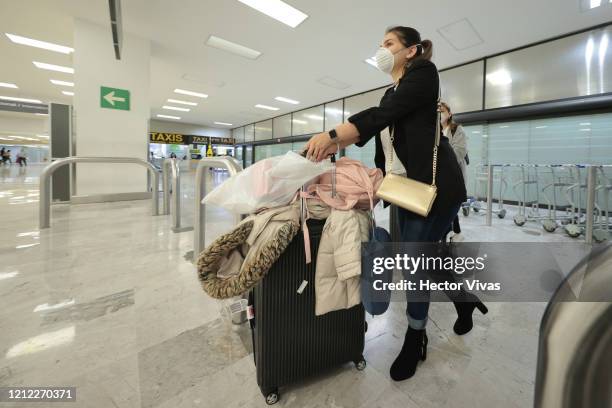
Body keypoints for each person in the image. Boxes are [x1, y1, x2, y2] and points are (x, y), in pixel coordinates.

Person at [304, 26, 486, 381]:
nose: (381, 49)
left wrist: (332, 136)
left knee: (416, 260)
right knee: (425, 255)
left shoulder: (424, 74)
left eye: (389, 43)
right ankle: (464, 302)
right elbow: (385, 139)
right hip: (404, 191)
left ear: (412, 50)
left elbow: (378, 117)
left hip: (437, 190)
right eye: (380, 44)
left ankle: (416, 337)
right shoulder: (394, 90)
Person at [440, 102, 468, 241]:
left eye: (442, 110)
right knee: (444, 207)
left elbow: (459, 152)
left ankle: (450, 234)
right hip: (439, 177)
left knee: (449, 205)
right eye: (437, 111)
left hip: (453, 175)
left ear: (449, 114)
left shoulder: (456, 129)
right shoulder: (434, 131)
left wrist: (441, 159)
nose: (439, 113)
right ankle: (453, 232)